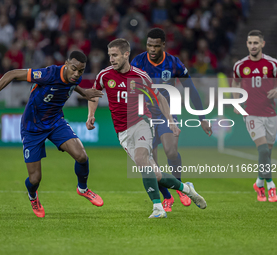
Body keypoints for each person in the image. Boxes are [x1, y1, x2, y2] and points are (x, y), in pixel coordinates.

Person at [0, 51, 105, 217]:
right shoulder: (48, 74)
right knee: (35, 179)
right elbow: (12, 74)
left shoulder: (75, 77)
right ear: (66, 64)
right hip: (32, 127)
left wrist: (84, 93)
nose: (76, 74)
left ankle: (82, 189)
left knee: (82, 156)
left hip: (55, 122)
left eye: (81, 71)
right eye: (74, 69)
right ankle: (32, 196)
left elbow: (70, 84)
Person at [86, 38, 207, 219]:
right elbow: (94, 95)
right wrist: (91, 115)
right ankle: (187, 189)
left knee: (141, 159)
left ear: (126, 54)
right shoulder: (105, 75)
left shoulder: (140, 76)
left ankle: (158, 208)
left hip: (141, 124)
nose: (111, 59)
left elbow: (160, 99)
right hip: (122, 133)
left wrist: (171, 122)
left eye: (115, 55)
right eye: (110, 55)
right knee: (155, 175)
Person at [131, 28, 212, 212]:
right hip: (146, 116)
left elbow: (191, 88)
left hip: (168, 113)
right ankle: (167, 196)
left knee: (171, 152)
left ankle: (181, 187)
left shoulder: (174, 63)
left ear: (163, 45)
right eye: (149, 45)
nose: (152, 49)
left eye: (156, 46)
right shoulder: (138, 62)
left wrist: (202, 118)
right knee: (151, 162)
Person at [232, 30, 277, 202]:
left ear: (262, 44)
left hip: (270, 113)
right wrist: (236, 102)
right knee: (263, 149)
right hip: (251, 113)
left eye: (256, 43)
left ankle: (259, 182)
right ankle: (271, 186)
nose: (253, 46)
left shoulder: (272, 64)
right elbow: (235, 81)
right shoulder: (240, 65)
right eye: (250, 43)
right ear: (247, 44)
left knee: (266, 153)